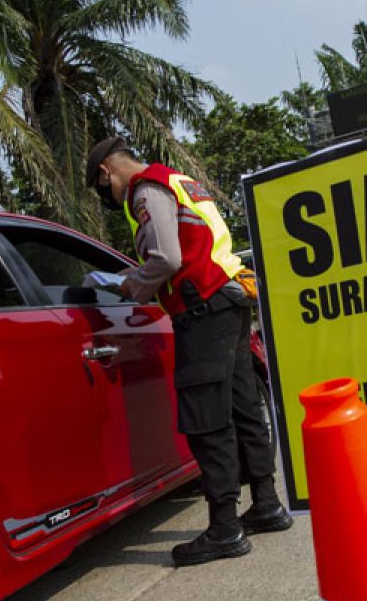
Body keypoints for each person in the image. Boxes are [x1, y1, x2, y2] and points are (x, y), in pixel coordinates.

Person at [85, 136, 292, 566]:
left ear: (105, 172)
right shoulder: (179, 180)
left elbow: (166, 259)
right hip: (228, 299)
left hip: (202, 311)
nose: (108, 196)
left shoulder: (146, 189)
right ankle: (267, 505)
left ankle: (224, 529)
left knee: (207, 420)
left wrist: (128, 285)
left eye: (101, 188)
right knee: (242, 409)